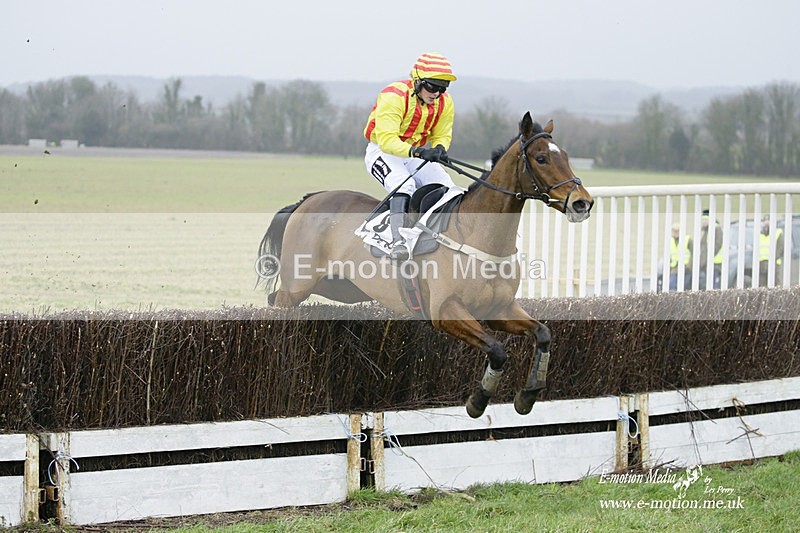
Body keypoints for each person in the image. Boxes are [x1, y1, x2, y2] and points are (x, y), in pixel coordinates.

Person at [363, 52, 458, 259]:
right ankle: (398, 242)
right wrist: (418, 151)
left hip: (414, 153)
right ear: (417, 81)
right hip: (382, 151)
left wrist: (440, 148)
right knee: (403, 185)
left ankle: (434, 236)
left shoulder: (445, 102)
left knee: (448, 188)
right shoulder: (393, 96)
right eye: (432, 86)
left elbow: (442, 133)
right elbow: (387, 140)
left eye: (442, 88)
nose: (436, 94)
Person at [689, 209, 724, 290]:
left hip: (715, 262)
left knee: (713, 286)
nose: (704, 221)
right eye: (703, 219)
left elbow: (717, 245)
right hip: (706, 263)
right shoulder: (706, 231)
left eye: (706, 219)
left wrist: (709, 256)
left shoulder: (716, 229)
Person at [758, 215, 784, 287]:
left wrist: (773, 258)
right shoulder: (760, 233)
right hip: (762, 263)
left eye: (768, 220)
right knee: (762, 285)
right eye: (765, 221)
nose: (766, 222)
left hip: (774, 263)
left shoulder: (778, 232)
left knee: (775, 284)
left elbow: (780, 248)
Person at [668, 223, 691, 291]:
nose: (675, 233)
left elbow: (693, 254)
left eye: (677, 231)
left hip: (686, 267)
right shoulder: (670, 240)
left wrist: (689, 266)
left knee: (686, 285)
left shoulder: (688, 239)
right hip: (674, 267)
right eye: (674, 231)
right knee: (672, 284)